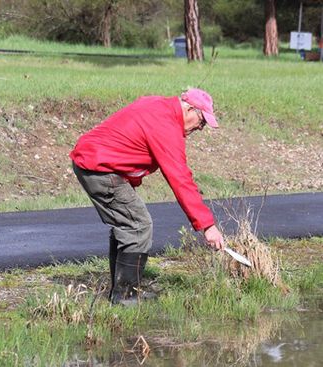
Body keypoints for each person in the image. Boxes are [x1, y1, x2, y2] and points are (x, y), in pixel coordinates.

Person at [70, 88, 225, 306]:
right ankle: (125, 298)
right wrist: (207, 226)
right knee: (138, 226)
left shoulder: (157, 105)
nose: (200, 128)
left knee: (128, 225)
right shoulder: (166, 125)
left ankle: (123, 292)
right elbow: (180, 179)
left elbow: (130, 141)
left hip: (93, 161)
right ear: (189, 108)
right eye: (201, 121)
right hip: (99, 167)